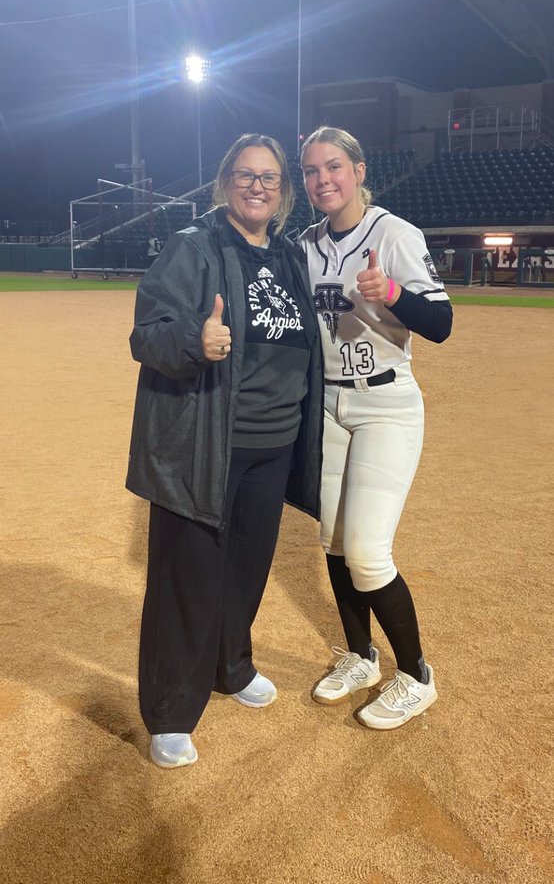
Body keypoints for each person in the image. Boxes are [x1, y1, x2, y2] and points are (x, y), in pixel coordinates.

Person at [126, 133, 323, 768]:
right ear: (224, 183)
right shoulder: (194, 246)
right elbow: (146, 335)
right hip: (208, 441)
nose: (257, 186)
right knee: (186, 579)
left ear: (283, 191)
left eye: (269, 178)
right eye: (245, 175)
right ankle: (170, 710)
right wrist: (194, 341)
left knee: (244, 569)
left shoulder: (290, 255)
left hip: (274, 443)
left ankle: (231, 668)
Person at [297, 126, 453, 730]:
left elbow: (440, 323)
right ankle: (361, 657)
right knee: (334, 542)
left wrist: (391, 293)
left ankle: (416, 675)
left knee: (366, 551)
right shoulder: (306, 244)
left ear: (359, 170)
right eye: (311, 171)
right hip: (331, 406)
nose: (322, 180)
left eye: (333, 166)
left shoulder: (394, 233)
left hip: (386, 406)